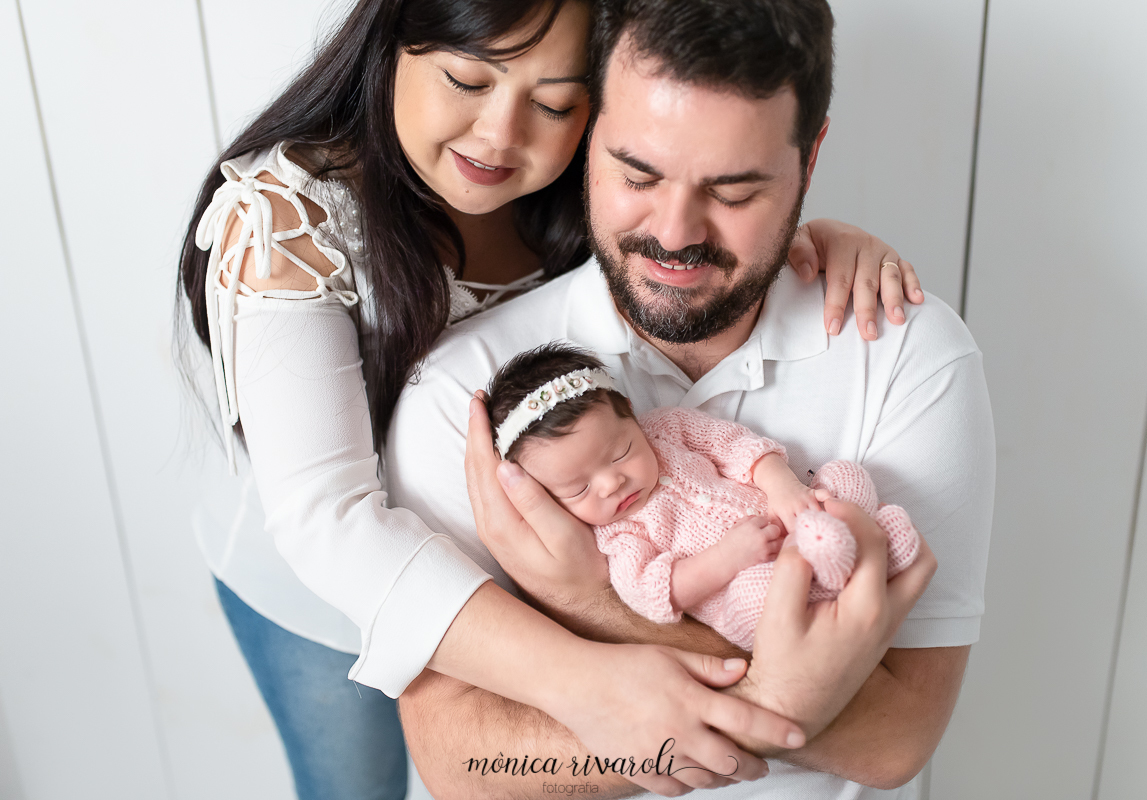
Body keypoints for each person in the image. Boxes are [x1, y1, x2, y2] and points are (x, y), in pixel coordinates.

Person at [175, 0, 923, 796]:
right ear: (391, 41)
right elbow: (327, 521)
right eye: (467, 81)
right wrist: (582, 680)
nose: (501, 134)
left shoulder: (576, 184)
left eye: (557, 104)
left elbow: (679, 224)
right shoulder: (291, 219)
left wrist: (804, 243)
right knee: (351, 783)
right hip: (322, 579)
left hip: (498, 545)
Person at [384, 0, 994, 797]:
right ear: (590, 134)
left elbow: (898, 738)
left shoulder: (909, 353)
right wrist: (781, 706)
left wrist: (588, 602)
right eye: (638, 174)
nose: (674, 234)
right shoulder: (466, 394)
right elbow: (456, 760)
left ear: (810, 159)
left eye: (733, 192)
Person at [483, 342, 920, 651]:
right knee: (759, 596)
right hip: (743, 585)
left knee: (844, 475)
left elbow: (737, 446)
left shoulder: (667, 428)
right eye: (578, 489)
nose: (611, 484)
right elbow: (655, 592)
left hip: (793, 516)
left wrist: (782, 486)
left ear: (630, 414)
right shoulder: (616, 537)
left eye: (621, 453)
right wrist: (728, 558)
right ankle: (844, 574)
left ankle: (854, 547)